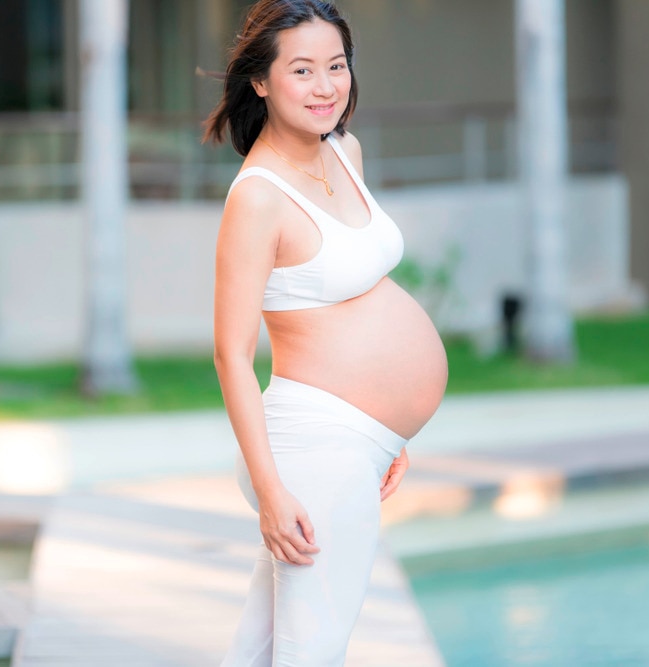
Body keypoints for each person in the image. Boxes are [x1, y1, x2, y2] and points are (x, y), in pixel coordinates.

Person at [203, 1, 448, 664]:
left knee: (261, 648)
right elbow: (231, 354)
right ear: (261, 81)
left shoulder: (344, 151)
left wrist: (390, 432)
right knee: (312, 651)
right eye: (302, 70)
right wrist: (272, 493)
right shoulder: (258, 197)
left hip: (353, 445)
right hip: (312, 451)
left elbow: (359, 291)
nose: (325, 86)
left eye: (336, 66)